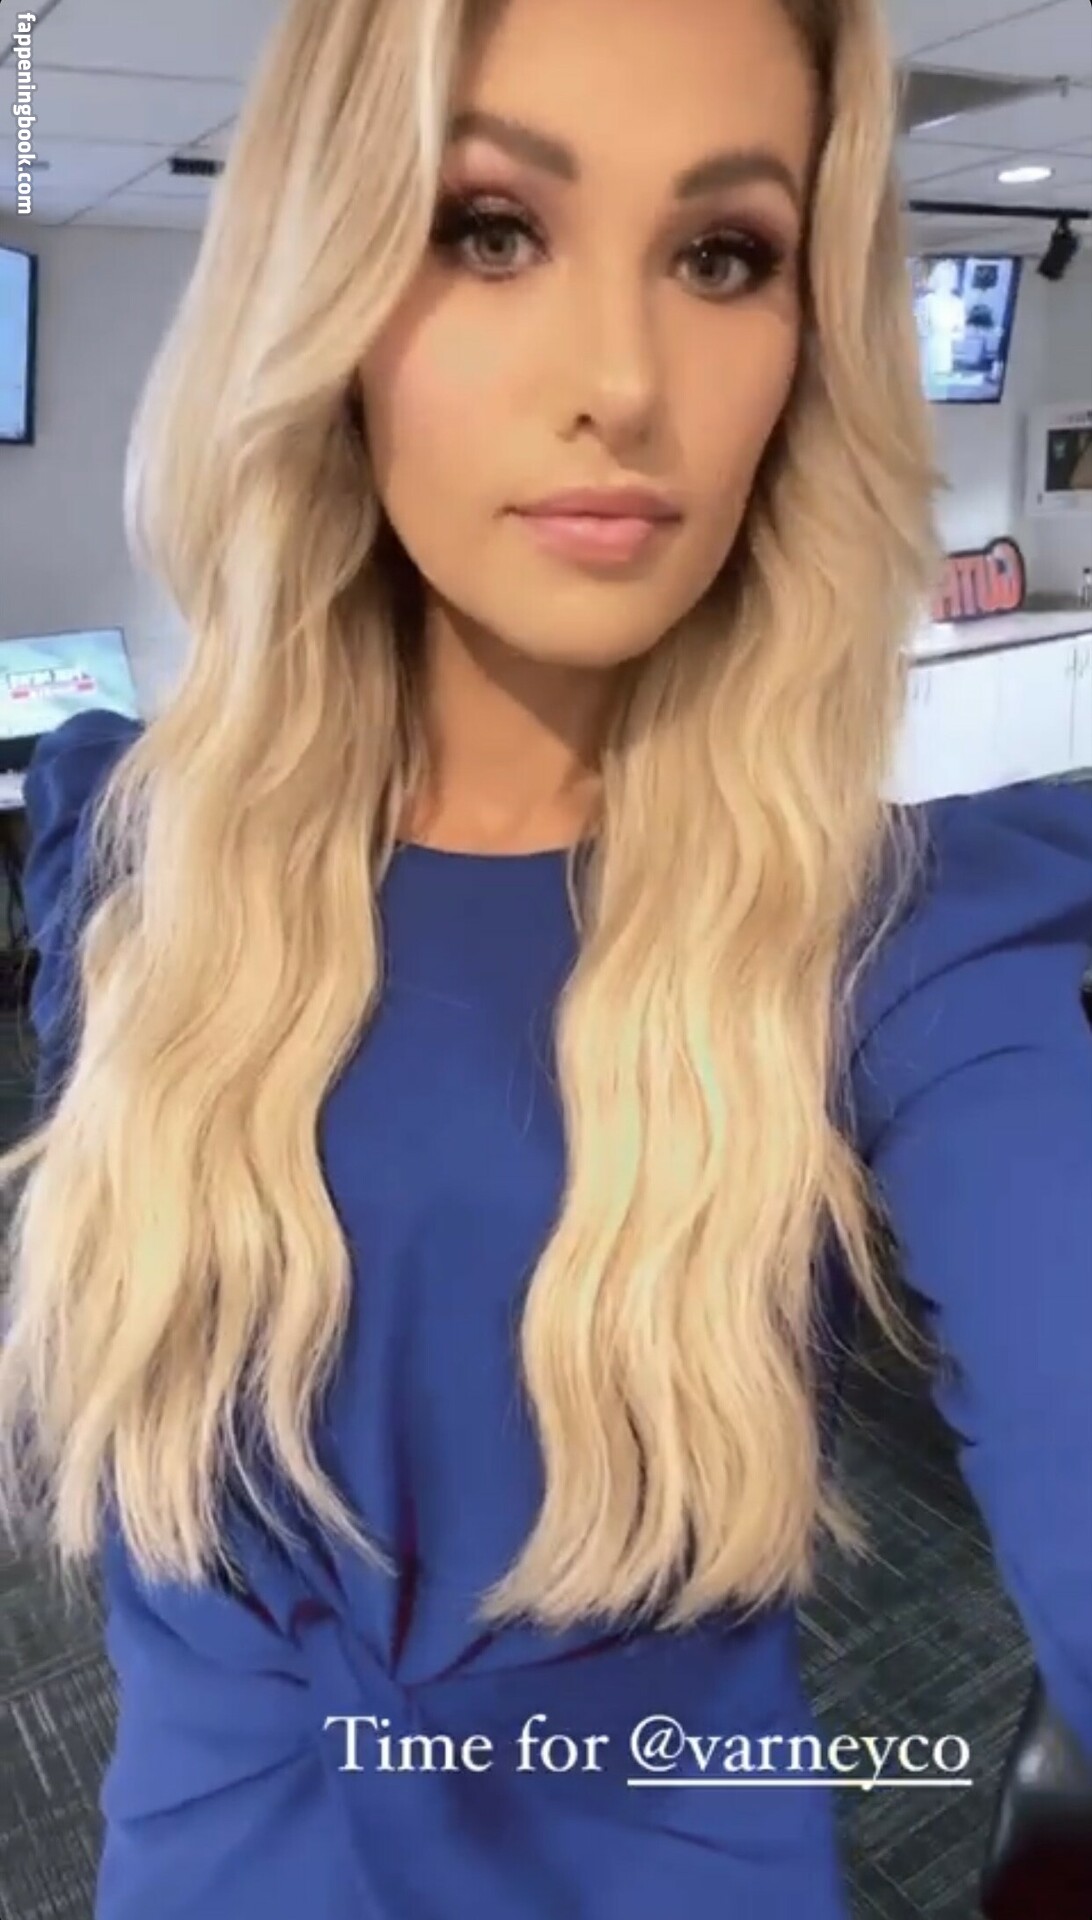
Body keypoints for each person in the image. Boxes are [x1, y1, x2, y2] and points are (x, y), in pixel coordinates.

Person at [1, 0, 1090, 1915]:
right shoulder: (130, 853)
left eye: (723, 256)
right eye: (490, 228)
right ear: (323, 289)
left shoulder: (898, 954)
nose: (623, 380)